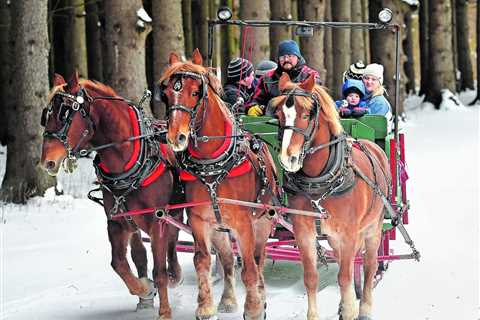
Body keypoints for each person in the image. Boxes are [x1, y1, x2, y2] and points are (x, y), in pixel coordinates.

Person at [246, 40, 321, 116]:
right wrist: (252, 107)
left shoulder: (310, 76)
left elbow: (317, 102)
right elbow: (255, 100)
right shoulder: (267, 78)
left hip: (302, 122)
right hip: (272, 123)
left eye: (290, 56)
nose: (286, 60)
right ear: (278, 59)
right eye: (282, 57)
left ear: (298, 57)